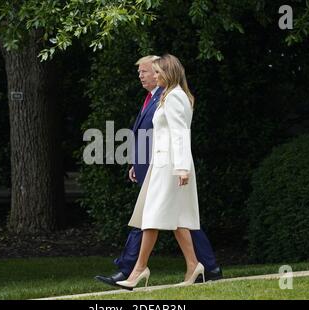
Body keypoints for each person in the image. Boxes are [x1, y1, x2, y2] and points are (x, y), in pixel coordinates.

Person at [94, 55, 222, 288]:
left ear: (168, 72)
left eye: (158, 71)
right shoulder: (171, 95)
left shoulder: (174, 97)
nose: (154, 75)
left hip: (171, 166)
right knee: (179, 220)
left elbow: (180, 134)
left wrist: (182, 168)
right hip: (162, 164)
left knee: (151, 217)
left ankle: (139, 270)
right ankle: (194, 266)